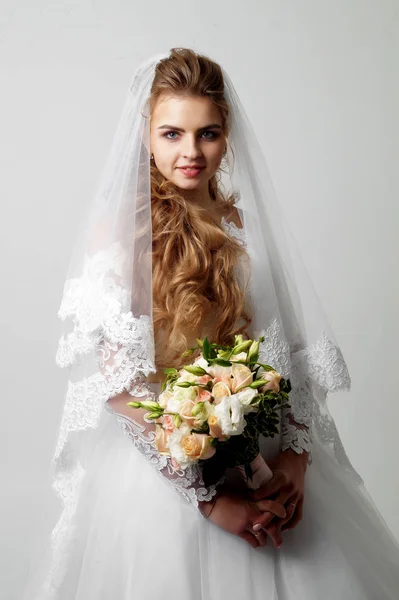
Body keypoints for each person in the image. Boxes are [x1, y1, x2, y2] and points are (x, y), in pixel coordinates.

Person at [23, 48, 399, 600]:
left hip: (266, 462)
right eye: (172, 134)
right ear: (145, 135)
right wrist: (208, 498)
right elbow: (122, 389)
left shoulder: (244, 227)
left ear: (227, 136)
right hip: (166, 475)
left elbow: (288, 352)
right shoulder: (120, 236)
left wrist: (294, 458)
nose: (191, 153)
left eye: (208, 134)